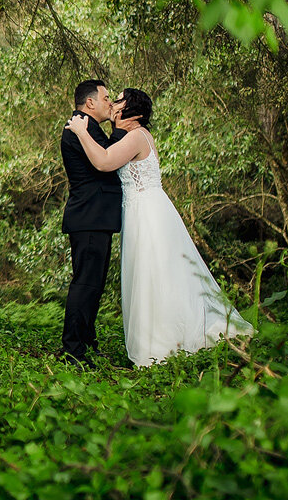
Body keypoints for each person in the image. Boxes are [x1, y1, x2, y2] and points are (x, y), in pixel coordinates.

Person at [65, 88, 254, 367]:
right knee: (150, 275)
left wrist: (82, 132)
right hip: (139, 212)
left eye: (118, 99)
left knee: (154, 274)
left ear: (131, 110)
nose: (113, 104)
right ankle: (149, 339)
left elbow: (104, 162)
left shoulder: (137, 136)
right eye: (110, 98)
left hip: (148, 214)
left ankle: (164, 341)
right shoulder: (131, 136)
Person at [59, 79, 132, 367]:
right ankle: (73, 351)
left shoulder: (89, 127)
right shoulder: (82, 127)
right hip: (88, 217)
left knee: (94, 285)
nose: (110, 104)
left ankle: (86, 343)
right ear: (90, 102)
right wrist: (119, 127)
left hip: (95, 217)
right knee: (85, 285)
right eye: (106, 98)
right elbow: (108, 159)